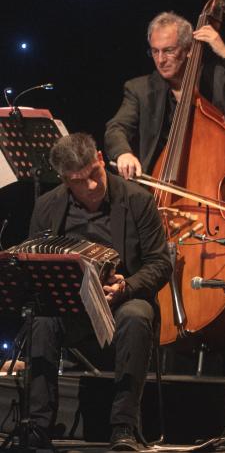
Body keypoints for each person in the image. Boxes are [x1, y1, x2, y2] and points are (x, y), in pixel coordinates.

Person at [27, 133, 171, 450]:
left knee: (137, 317)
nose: (91, 185)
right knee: (42, 320)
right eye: (80, 181)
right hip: (71, 306)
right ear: (65, 180)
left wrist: (126, 286)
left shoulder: (138, 200)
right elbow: (35, 264)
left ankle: (124, 427)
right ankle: (39, 426)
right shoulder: (47, 206)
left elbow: (161, 263)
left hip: (123, 300)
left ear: (101, 159)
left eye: (94, 173)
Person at [105, 11, 225, 179]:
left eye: (168, 51)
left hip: (210, 179)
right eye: (154, 51)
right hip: (155, 184)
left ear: (189, 49)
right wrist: (123, 153)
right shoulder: (140, 89)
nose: (160, 60)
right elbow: (116, 128)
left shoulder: (216, 78)